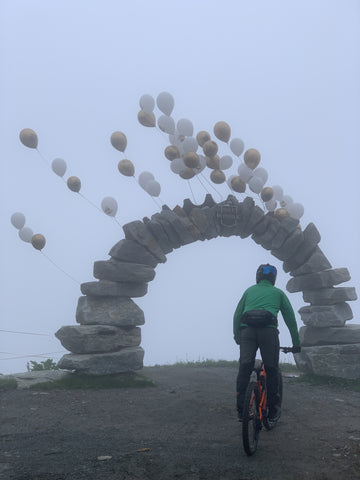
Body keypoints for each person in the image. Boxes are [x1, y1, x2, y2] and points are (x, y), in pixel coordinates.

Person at [233, 263, 301, 422]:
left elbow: (237, 315)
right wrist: (296, 343)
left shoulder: (249, 291)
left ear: (258, 276)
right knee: (271, 369)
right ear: (273, 279)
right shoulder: (278, 293)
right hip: (268, 333)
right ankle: (273, 411)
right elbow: (290, 319)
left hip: (247, 331)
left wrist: (237, 336)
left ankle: (241, 409)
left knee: (245, 366)